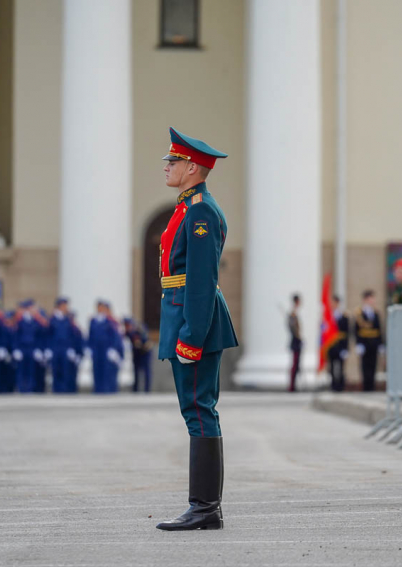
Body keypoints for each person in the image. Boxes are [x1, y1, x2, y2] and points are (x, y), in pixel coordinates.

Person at [156, 128, 237, 531]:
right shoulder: (188, 207)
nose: (166, 167)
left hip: (193, 318)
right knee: (197, 410)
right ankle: (205, 507)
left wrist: (191, 334)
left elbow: (202, 279)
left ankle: (204, 508)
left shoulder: (200, 210)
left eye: (172, 161)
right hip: (183, 312)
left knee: (199, 411)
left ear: (192, 168)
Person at [88, 300, 123, 394]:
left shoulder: (109, 321)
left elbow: (115, 336)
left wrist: (113, 349)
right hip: (96, 350)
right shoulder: (93, 321)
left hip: (106, 349)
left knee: (106, 371)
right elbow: (90, 335)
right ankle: (97, 390)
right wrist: (89, 348)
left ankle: (106, 391)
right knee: (96, 370)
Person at [48, 297, 81, 393]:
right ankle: (56, 390)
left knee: (65, 371)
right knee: (56, 371)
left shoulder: (68, 320)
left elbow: (71, 336)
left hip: (65, 349)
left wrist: (71, 349)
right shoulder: (52, 320)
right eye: (64, 305)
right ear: (60, 306)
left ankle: (64, 390)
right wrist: (48, 349)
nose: (66, 308)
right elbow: (48, 335)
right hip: (55, 348)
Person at [354, 290, 383, 392]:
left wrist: (381, 344)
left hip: (374, 342)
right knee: (365, 365)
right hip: (364, 342)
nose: (372, 301)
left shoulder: (375, 313)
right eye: (370, 298)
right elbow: (356, 330)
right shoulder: (359, 313)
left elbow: (379, 329)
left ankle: (372, 386)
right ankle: (366, 386)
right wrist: (358, 344)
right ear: (365, 299)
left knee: (373, 364)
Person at [13, 299, 41, 393]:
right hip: (22, 347)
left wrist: (38, 349)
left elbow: (38, 336)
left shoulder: (35, 321)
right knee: (21, 369)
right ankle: (21, 388)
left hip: (32, 347)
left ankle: (29, 388)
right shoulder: (19, 321)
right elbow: (16, 335)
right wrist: (16, 349)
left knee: (30, 369)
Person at [327, 295, 350, 392]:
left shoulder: (344, 316)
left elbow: (346, 333)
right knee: (331, 367)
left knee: (340, 367)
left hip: (340, 345)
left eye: (335, 303)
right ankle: (333, 385)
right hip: (331, 345)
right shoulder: (328, 317)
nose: (333, 305)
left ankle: (340, 386)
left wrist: (346, 348)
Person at [124, 317, 152, 393]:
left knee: (146, 372)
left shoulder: (140, 331)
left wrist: (142, 344)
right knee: (136, 372)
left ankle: (147, 390)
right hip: (137, 354)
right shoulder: (130, 333)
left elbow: (147, 342)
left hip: (145, 353)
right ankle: (135, 389)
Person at [288, 293, 303, 392]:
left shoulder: (295, 312)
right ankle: (292, 386)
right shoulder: (293, 313)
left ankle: (294, 385)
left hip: (298, 341)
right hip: (295, 341)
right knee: (294, 364)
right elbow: (292, 328)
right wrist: (299, 337)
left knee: (297, 364)